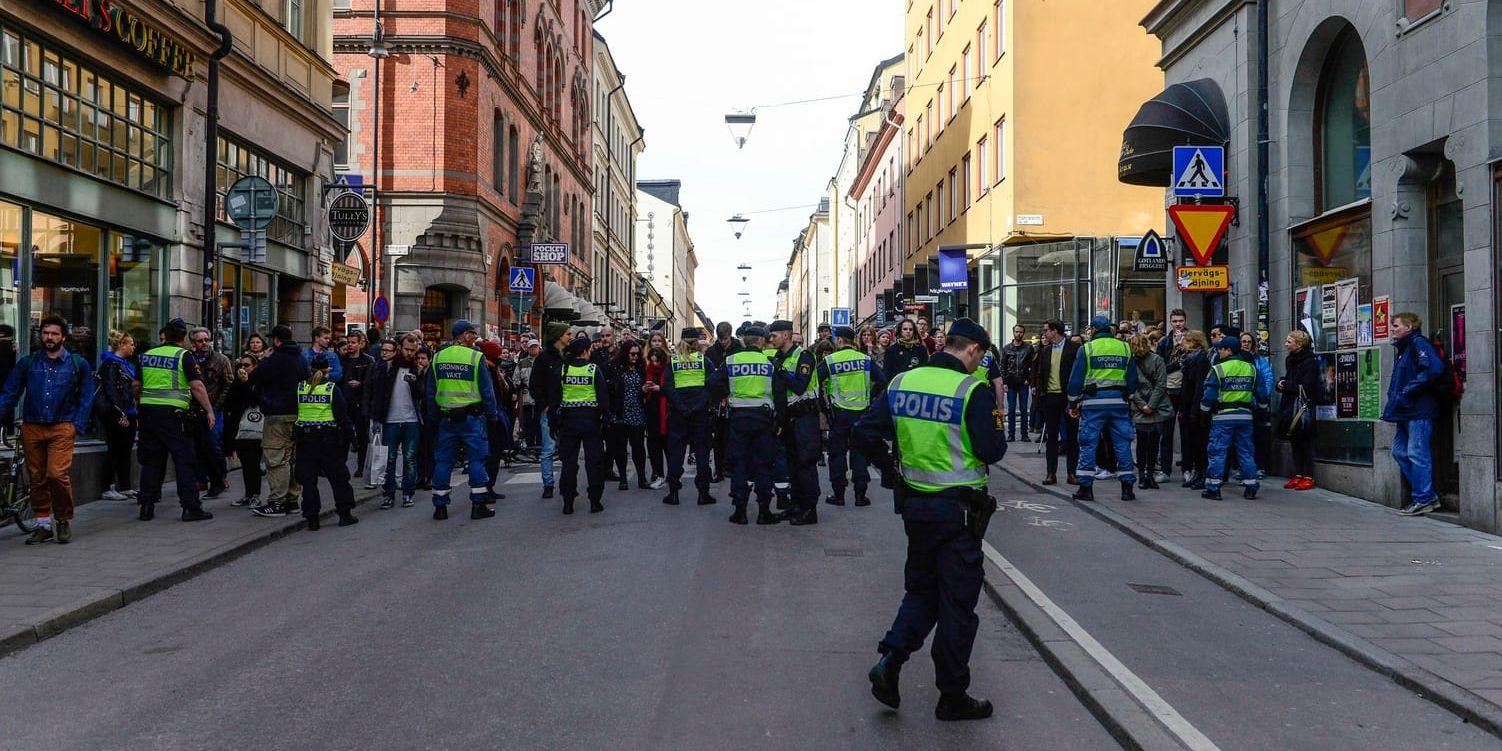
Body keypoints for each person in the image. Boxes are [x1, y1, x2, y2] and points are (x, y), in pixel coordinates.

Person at [855, 317, 1003, 722]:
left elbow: (864, 432)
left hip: (916, 509)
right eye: (981, 356)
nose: (979, 363)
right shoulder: (972, 389)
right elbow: (992, 451)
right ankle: (952, 695)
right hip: (959, 512)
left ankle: (890, 661)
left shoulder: (902, 382)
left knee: (922, 591)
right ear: (972, 350)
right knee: (957, 605)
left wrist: (890, 472)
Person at [0, 316, 95, 543]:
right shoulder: (29, 362)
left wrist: (77, 425)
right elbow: (10, 393)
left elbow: (85, 397)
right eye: (45, 333)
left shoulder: (77, 363)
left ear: (63, 336)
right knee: (37, 477)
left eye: (54, 334)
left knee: (57, 474)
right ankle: (43, 525)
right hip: (33, 426)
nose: (49, 338)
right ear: (40, 335)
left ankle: (62, 519)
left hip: (62, 425)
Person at [134, 319, 216, 523]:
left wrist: (140, 404)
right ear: (182, 337)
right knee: (184, 461)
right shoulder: (183, 355)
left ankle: (146, 506)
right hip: (175, 416)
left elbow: (136, 385)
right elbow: (197, 386)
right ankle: (190, 508)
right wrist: (209, 411)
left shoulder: (147, 355)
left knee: (152, 462)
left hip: (148, 414)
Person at [706, 324, 784, 526]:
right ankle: (764, 511)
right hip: (764, 419)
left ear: (744, 341)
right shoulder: (769, 362)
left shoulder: (731, 360)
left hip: (738, 418)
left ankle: (740, 511)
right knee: (764, 465)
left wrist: (727, 393)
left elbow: (713, 381)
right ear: (760, 342)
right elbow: (780, 392)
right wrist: (780, 420)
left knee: (740, 464)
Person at [426, 320, 500, 520]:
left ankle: (440, 507)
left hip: (446, 418)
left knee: (443, 462)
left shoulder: (438, 357)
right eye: (472, 333)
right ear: (462, 335)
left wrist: (433, 418)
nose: (475, 337)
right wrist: (492, 415)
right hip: (472, 418)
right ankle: (478, 505)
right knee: (476, 461)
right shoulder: (476, 357)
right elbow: (487, 391)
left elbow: (431, 391)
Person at [1068, 315, 1139, 501]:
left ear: (1093, 329)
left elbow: (1075, 380)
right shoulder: (1124, 347)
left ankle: (1085, 488)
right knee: (1123, 444)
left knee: (1088, 444)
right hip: (1119, 403)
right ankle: (1127, 488)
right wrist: (1129, 398)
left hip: (1093, 404)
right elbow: (1133, 379)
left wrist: (1072, 403)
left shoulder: (1087, 349)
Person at [1384, 312, 1446, 516]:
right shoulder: (1404, 348)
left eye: (1396, 326)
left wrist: (1408, 389)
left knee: (1417, 454)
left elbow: (1434, 369)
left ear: (1409, 326)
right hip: (1405, 410)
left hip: (1418, 409)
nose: (1393, 329)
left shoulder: (1418, 344)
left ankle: (1424, 498)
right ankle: (1426, 494)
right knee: (1399, 452)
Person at [819, 326, 885, 507]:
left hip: (839, 414)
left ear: (839, 340)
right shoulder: (865, 360)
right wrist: (870, 397)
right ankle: (860, 495)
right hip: (862, 413)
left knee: (837, 454)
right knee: (860, 454)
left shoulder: (830, 360)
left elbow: (814, 381)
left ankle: (838, 495)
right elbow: (882, 380)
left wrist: (824, 406)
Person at [292, 354, 359, 530]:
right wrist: (352, 438)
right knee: (339, 479)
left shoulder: (300, 388)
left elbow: (295, 411)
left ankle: (312, 519)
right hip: (328, 440)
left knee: (308, 481)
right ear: (327, 370)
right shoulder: (331, 389)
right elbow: (342, 416)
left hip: (305, 440)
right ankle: (345, 514)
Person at [248, 326, 309, 518]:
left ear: (276, 341)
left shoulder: (277, 358)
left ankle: (277, 502)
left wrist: (264, 359)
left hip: (278, 413)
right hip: (297, 412)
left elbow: (256, 377)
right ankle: (291, 499)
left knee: (276, 458)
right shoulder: (300, 357)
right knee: (290, 458)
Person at [768, 320, 821, 525]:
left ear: (787, 335)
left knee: (805, 464)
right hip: (788, 419)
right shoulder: (780, 357)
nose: (771, 339)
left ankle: (810, 510)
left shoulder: (804, 356)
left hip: (804, 418)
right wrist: (779, 420)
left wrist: (780, 370)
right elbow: (780, 393)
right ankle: (796, 506)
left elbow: (799, 386)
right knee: (792, 465)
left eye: (774, 335)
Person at [1199, 338, 1263, 500]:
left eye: (1221, 349)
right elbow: (1262, 394)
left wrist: (1203, 412)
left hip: (1223, 417)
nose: (1219, 352)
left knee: (1218, 451)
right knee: (1246, 451)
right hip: (1245, 416)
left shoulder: (1219, 369)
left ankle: (1213, 487)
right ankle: (1251, 486)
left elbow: (1209, 395)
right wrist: (1262, 410)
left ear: (1228, 350)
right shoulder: (1251, 368)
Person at [366, 333, 425, 508]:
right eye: (407, 349)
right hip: (390, 419)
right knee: (389, 458)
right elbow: (377, 393)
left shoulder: (418, 367)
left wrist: (415, 382)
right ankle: (389, 494)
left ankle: (408, 493)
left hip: (412, 420)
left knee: (409, 458)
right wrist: (375, 419)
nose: (410, 353)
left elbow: (424, 395)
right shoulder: (387, 366)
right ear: (400, 348)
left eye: (413, 350)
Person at [554, 336, 610, 514]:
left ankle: (568, 502)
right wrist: (605, 419)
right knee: (594, 462)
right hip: (591, 421)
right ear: (585, 351)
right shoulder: (594, 370)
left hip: (568, 421)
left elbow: (555, 398)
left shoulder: (563, 370)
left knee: (569, 463)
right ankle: (595, 501)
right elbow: (603, 398)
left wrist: (554, 424)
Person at [662, 328, 716, 506]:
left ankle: (674, 493)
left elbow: (668, 388)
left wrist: (682, 407)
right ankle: (703, 494)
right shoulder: (704, 361)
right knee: (701, 453)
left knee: (676, 453)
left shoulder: (673, 361)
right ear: (695, 343)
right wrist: (698, 407)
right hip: (699, 415)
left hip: (678, 414)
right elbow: (710, 387)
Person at [1031, 320, 1080, 486]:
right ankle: (1051, 473)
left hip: (1068, 398)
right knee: (1051, 436)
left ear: (1055, 331)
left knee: (1072, 437)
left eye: (1047, 330)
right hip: (1050, 397)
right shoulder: (1045, 351)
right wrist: (1040, 396)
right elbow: (1040, 375)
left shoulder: (1074, 349)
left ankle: (1072, 473)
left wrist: (1077, 398)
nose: (1044, 333)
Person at [187, 327, 232, 499]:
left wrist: (217, 405)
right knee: (197, 446)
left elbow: (228, 384)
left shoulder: (220, 360)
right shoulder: (189, 358)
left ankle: (221, 476)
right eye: (200, 340)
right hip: (194, 408)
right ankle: (202, 478)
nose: (204, 343)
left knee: (213, 444)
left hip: (215, 408)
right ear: (193, 343)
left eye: (206, 339)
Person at [528, 321, 570, 499]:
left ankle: (566, 483)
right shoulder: (544, 358)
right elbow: (534, 385)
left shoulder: (567, 356)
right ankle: (548, 484)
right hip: (550, 410)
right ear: (559, 336)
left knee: (568, 447)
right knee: (548, 448)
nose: (570, 337)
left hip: (567, 408)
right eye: (568, 334)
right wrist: (544, 405)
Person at [97, 330, 139, 502]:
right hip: (117, 412)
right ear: (121, 345)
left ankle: (125, 485)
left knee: (125, 450)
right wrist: (120, 412)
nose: (133, 347)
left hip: (129, 410)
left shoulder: (126, 364)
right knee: (115, 449)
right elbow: (111, 390)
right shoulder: (111, 364)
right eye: (130, 344)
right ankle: (108, 487)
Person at [1276, 330, 1322, 491]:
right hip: (1290, 402)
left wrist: (1286, 385)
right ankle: (1298, 473)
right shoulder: (1290, 360)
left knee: (1306, 440)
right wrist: (1281, 383)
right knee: (1294, 440)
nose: (1286, 344)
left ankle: (1308, 475)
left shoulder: (1310, 361)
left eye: (1289, 341)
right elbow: (1290, 379)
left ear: (1299, 344)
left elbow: (1307, 385)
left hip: (1304, 404)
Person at [1128, 334, 1172, 490]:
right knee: (1153, 442)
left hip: (1142, 407)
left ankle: (1142, 475)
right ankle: (1149, 475)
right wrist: (1151, 405)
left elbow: (1130, 386)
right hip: (1157, 407)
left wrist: (1143, 405)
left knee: (1142, 442)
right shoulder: (1157, 359)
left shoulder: (1130, 362)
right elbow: (1161, 384)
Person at [607, 341, 650, 491]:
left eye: (638, 354)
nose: (635, 357)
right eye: (632, 354)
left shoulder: (641, 367)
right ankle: (623, 478)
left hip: (637, 412)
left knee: (638, 448)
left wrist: (644, 389)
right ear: (626, 353)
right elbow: (609, 388)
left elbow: (644, 388)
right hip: (619, 413)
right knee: (620, 448)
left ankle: (641, 478)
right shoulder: (615, 367)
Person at [223, 353, 264, 508]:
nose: (243, 369)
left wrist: (246, 383)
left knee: (253, 463)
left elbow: (254, 400)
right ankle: (248, 494)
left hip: (254, 427)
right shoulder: (236, 383)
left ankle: (255, 495)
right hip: (239, 429)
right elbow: (229, 402)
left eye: (247, 365)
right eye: (240, 365)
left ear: (255, 366)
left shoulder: (258, 382)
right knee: (246, 463)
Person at [1155, 310, 1188, 483]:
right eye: (1175, 321)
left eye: (1181, 321)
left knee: (1186, 432)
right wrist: (1177, 362)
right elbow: (1160, 368)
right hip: (1168, 391)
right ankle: (1165, 470)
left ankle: (1187, 468)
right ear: (1170, 322)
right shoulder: (1164, 342)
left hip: (1184, 391)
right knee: (1165, 433)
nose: (1178, 324)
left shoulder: (1191, 340)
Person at [1176, 331, 1212, 488]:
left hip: (1195, 409)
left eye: (1184, 340)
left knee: (1199, 443)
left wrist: (1195, 411)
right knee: (1191, 443)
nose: (1181, 343)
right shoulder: (1188, 361)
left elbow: (1199, 387)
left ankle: (1202, 473)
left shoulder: (1200, 361)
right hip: (1187, 407)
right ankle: (1197, 472)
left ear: (1193, 342)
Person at [706, 321, 739, 484]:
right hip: (718, 400)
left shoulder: (739, 350)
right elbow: (710, 377)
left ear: (730, 335)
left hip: (735, 398)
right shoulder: (712, 352)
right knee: (718, 437)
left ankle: (731, 467)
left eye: (725, 339)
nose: (723, 342)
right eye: (720, 339)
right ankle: (718, 470)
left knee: (733, 437)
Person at [340, 330, 375, 478]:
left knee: (362, 436)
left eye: (353, 342)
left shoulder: (367, 360)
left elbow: (371, 382)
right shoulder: (342, 360)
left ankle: (361, 466)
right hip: (344, 402)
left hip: (360, 403)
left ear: (361, 343)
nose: (350, 345)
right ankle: (341, 465)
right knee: (343, 436)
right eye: (348, 342)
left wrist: (360, 384)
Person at [1240, 332, 1275, 477]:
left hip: (1258, 406)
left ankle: (1260, 467)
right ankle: (1245, 468)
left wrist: (1263, 398)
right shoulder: (1238, 360)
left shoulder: (1260, 360)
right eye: (1243, 341)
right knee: (1244, 439)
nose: (1246, 344)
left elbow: (1267, 379)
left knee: (1259, 437)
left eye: (1248, 341)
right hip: (1243, 404)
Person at [999, 324, 1035, 442]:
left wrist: (1028, 379)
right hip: (1010, 383)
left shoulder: (1028, 348)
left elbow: (1032, 365)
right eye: (1017, 331)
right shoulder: (1007, 348)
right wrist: (1004, 382)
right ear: (1013, 332)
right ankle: (1011, 434)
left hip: (1023, 382)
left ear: (1023, 333)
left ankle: (1024, 434)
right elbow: (1002, 366)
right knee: (1011, 409)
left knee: (1024, 409)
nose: (1018, 334)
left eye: (1020, 332)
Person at [644, 343, 669, 487]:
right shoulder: (647, 370)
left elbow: (672, 389)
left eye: (657, 360)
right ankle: (658, 474)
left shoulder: (667, 369)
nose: (654, 363)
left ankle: (672, 475)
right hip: (652, 411)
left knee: (668, 446)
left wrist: (660, 388)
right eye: (652, 360)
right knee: (654, 446)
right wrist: (644, 388)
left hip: (666, 413)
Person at [516, 339, 541, 448]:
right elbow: (516, 378)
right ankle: (530, 444)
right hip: (526, 397)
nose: (533, 349)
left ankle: (540, 444)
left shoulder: (542, 361)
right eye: (531, 347)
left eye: (535, 347)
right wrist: (520, 386)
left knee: (539, 422)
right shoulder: (522, 362)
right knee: (527, 422)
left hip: (540, 397)